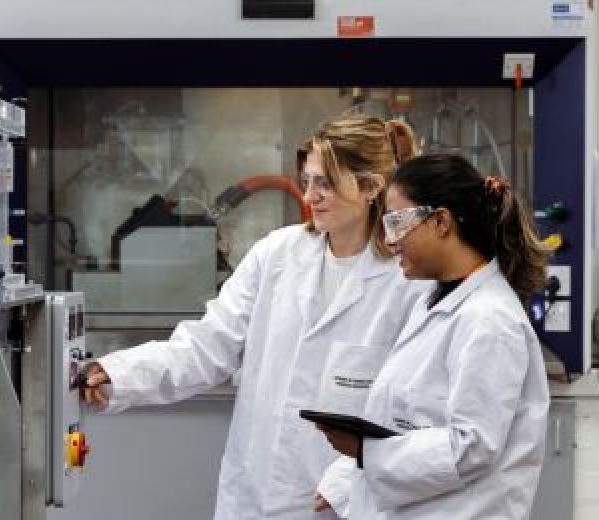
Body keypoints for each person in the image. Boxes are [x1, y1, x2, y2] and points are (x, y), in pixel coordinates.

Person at [77, 117, 431, 519]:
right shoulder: (276, 255)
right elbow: (206, 347)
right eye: (307, 181)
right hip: (252, 496)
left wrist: (351, 479)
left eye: (326, 184)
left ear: (371, 187)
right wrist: (120, 373)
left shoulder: (408, 281)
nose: (310, 196)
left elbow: (416, 414)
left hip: (341, 503)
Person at [313, 154, 551, 519]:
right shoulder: (433, 301)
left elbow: (470, 447)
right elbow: (402, 418)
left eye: (397, 222)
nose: (389, 240)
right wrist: (347, 479)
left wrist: (363, 451)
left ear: (441, 221)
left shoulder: (490, 321)